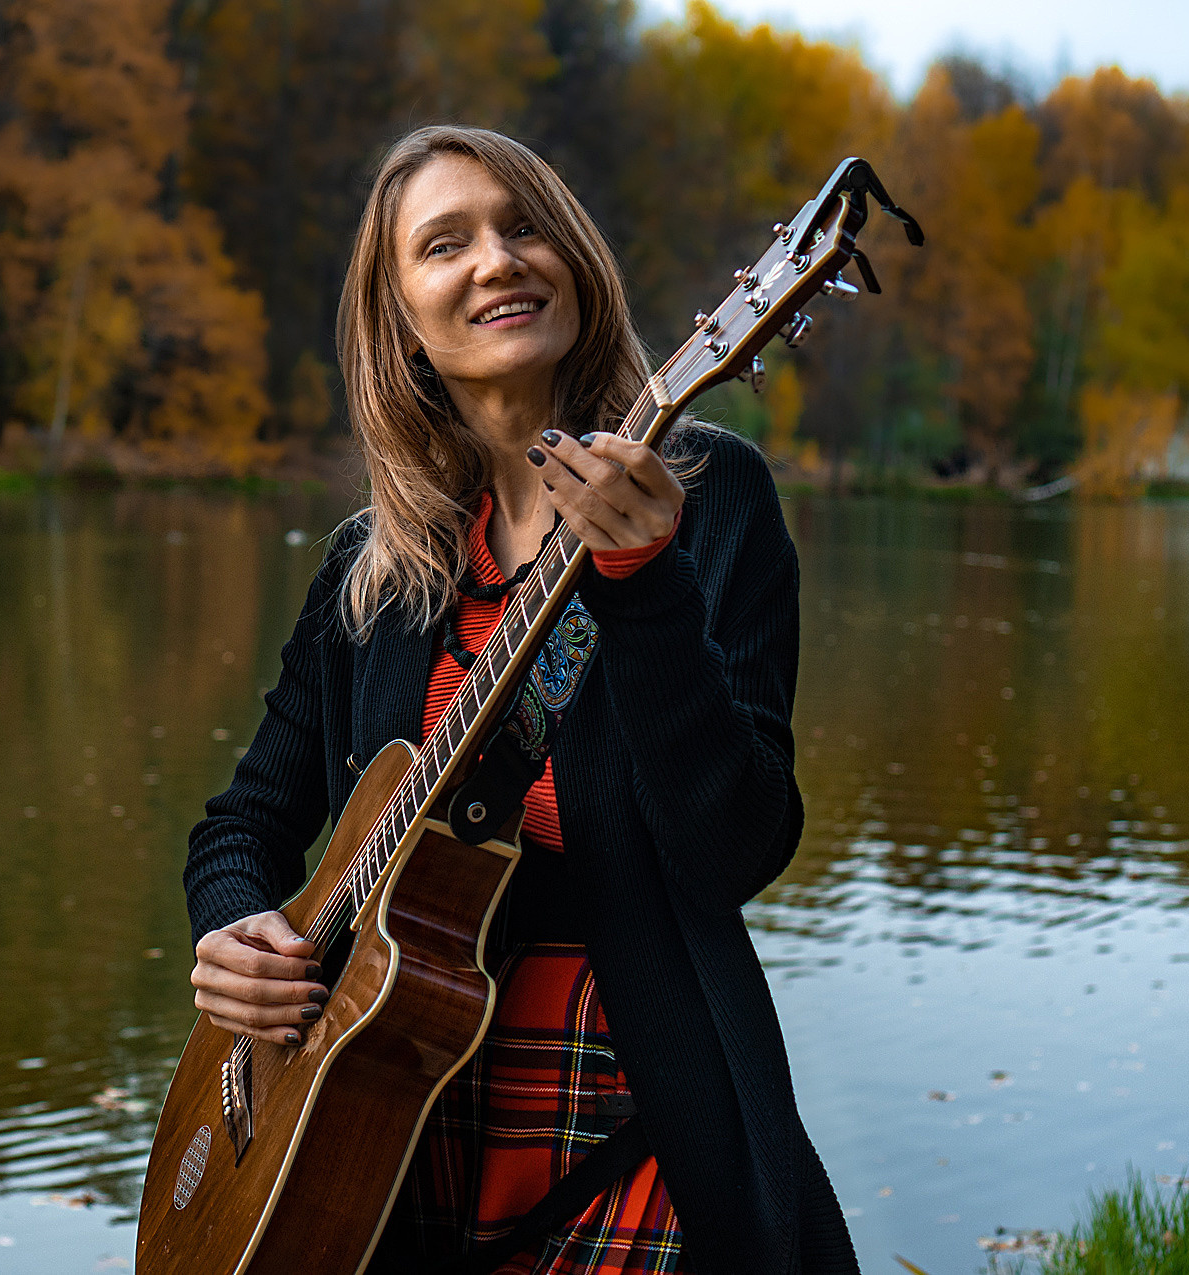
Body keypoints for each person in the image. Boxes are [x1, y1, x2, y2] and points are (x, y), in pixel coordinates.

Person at [183, 125, 855, 1274]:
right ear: (398, 322)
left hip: (627, 1103)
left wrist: (643, 589)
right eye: (444, 244)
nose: (495, 260)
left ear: (576, 266)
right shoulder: (370, 570)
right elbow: (241, 823)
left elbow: (736, 845)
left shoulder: (706, 495)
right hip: (372, 1108)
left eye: (523, 225)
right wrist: (231, 923)